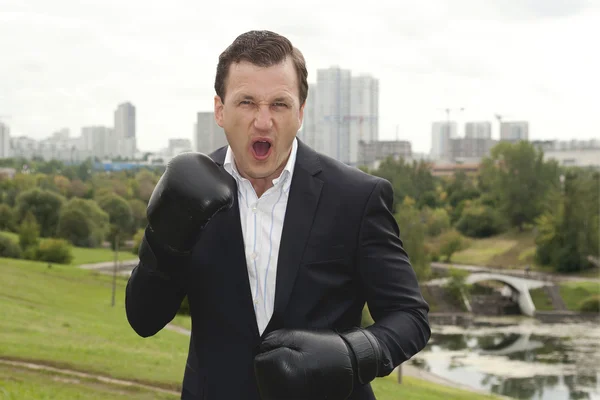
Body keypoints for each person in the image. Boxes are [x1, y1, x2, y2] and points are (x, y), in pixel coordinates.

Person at [125, 30, 431, 400]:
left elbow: (410, 317)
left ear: (301, 113)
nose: (263, 121)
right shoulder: (189, 190)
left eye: (280, 104)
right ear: (220, 110)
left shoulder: (356, 196)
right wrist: (164, 241)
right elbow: (143, 320)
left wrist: (353, 353)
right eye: (247, 102)